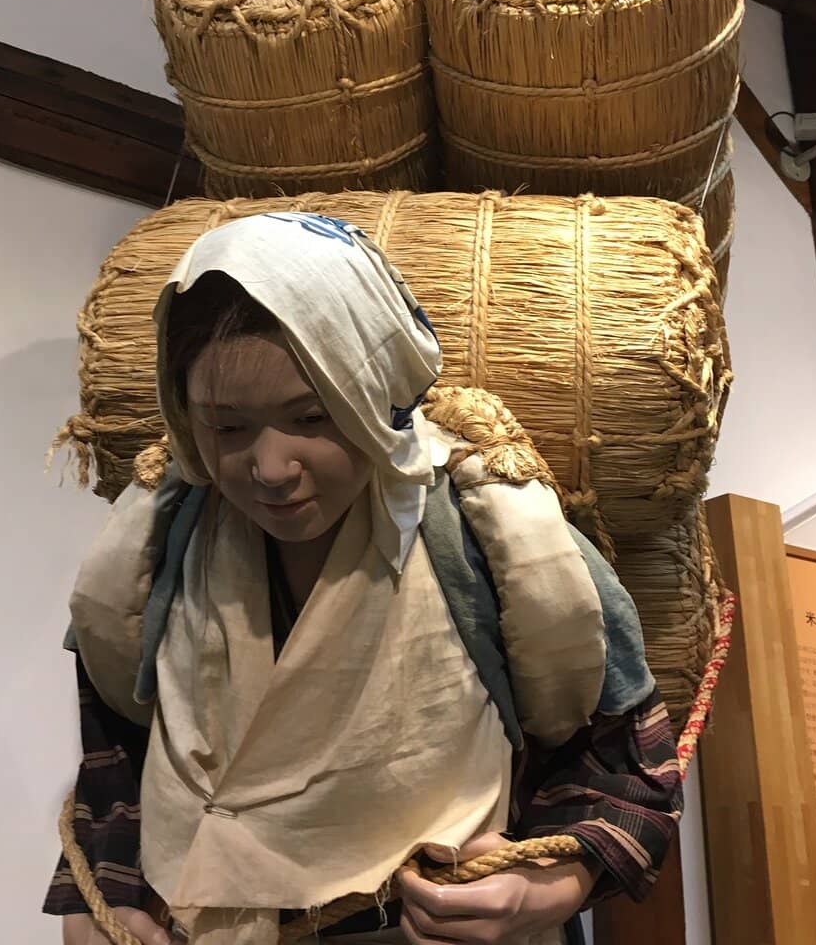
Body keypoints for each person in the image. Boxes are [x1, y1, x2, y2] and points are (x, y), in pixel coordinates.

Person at [44, 212, 682, 945]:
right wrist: (102, 905)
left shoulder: (491, 537)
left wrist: (547, 886)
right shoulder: (161, 546)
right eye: (226, 426)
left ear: (375, 392)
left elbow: (629, 769)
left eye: (313, 416)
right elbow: (117, 757)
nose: (272, 468)